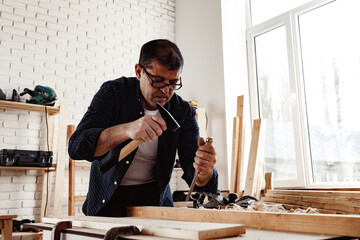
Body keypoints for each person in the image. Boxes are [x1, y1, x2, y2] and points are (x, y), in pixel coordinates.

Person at [68, 39, 218, 217]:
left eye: (173, 83)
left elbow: (196, 176)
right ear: (139, 72)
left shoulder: (183, 111)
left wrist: (205, 171)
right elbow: (77, 147)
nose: (165, 91)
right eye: (158, 81)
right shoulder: (113, 92)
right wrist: (127, 130)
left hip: (155, 204)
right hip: (108, 201)